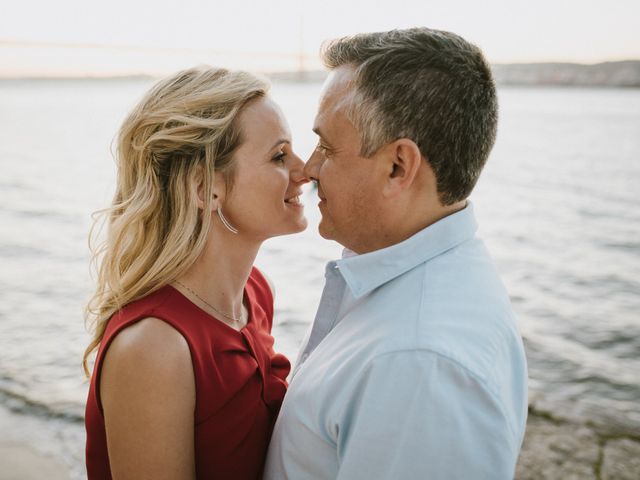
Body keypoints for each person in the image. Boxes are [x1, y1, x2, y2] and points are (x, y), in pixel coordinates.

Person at [264, 28, 528, 479]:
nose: (308, 169)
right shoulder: (407, 283)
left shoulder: (420, 363)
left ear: (398, 167)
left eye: (327, 147)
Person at [83, 66, 308, 479]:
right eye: (279, 155)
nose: (305, 169)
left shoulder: (256, 292)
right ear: (206, 188)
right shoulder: (154, 348)